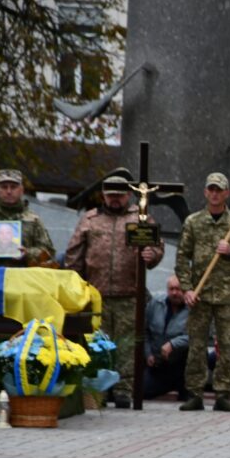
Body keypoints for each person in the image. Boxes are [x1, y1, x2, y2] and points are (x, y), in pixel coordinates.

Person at [64, 175, 164, 408]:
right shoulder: (90, 219)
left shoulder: (141, 218)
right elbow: (74, 254)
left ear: (128, 195)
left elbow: (157, 247)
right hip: (96, 294)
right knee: (97, 343)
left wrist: (153, 255)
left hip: (129, 294)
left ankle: (123, 390)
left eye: (120, 195)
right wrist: (75, 286)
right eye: (111, 196)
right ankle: (99, 390)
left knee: (127, 345)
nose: (115, 200)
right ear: (103, 196)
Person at [174, 172, 230, 413]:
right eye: (211, 189)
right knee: (197, 346)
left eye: (219, 190)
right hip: (199, 295)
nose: (215, 193)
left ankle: (223, 394)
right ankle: (195, 393)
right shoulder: (193, 222)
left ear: (227, 193)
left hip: (226, 295)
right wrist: (187, 289)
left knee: (226, 345)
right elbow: (182, 258)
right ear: (205, 192)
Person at [0, 169, 55, 268]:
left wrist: (27, 253)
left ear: (21, 190)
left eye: (13, 187)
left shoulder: (32, 220)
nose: (9, 191)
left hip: (20, 278)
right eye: (4, 187)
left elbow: (48, 252)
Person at [144, 276, 190, 400]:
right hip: (159, 363)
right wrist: (148, 354)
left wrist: (173, 344)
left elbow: (196, 337)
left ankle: (185, 388)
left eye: (178, 289)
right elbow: (145, 331)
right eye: (171, 289)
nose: (174, 293)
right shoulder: (155, 304)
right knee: (144, 391)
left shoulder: (193, 308)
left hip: (180, 362)